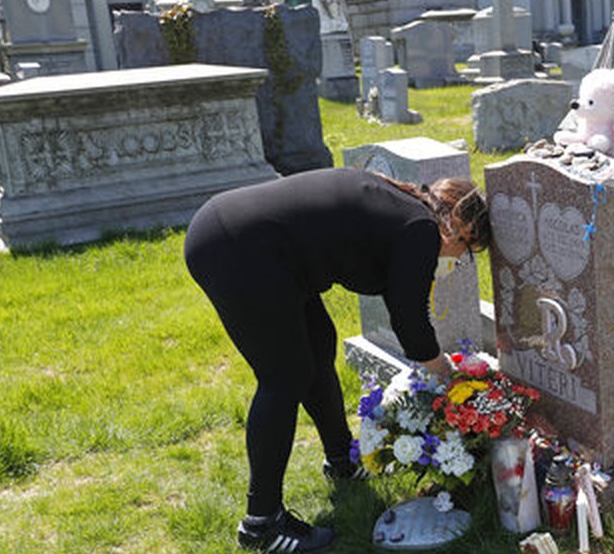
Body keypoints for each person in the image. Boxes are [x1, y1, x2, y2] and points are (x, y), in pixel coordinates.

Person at [183, 168, 491, 552]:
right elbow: (409, 321)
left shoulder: (407, 207)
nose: (459, 258)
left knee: (317, 345)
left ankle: (341, 460)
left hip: (250, 239)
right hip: (239, 248)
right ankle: (262, 523)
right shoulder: (422, 230)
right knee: (284, 377)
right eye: (467, 250)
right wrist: (446, 373)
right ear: (459, 228)